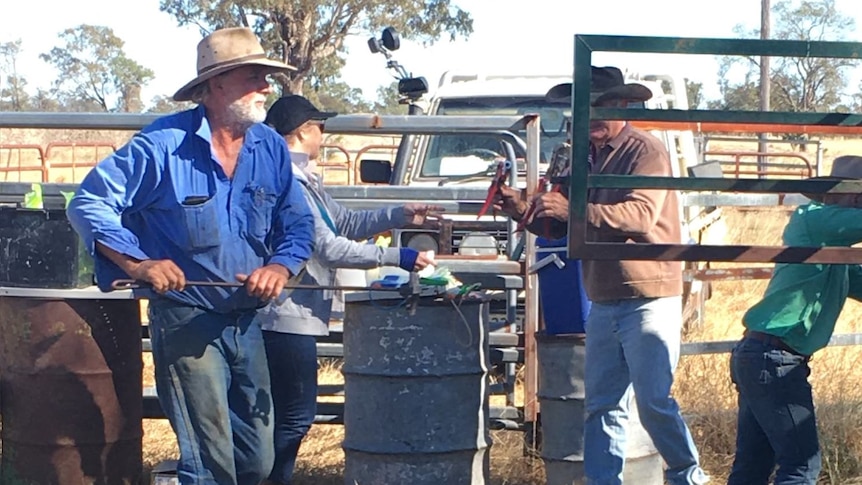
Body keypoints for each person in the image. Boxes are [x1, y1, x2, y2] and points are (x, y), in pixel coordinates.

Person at [66, 27, 316, 485]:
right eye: (255, 77)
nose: (267, 88)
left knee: (257, 460)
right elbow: (89, 204)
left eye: (267, 77)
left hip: (246, 320)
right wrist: (138, 264)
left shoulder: (271, 148)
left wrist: (279, 266)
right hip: (186, 317)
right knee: (209, 462)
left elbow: (297, 224)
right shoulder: (162, 146)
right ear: (216, 85)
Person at [493, 66, 708, 484]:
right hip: (607, 296)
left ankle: (687, 476)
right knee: (603, 404)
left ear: (620, 106)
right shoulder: (583, 156)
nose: (590, 119)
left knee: (652, 402)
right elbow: (557, 225)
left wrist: (568, 211)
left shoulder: (646, 151)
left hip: (647, 294)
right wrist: (524, 210)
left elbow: (640, 216)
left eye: (598, 109)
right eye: (584, 110)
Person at [259, 94, 441, 484]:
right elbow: (328, 246)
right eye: (319, 127)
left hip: (294, 311)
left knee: (284, 414)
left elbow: (343, 221)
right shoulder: (291, 181)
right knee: (293, 416)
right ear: (303, 131)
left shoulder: (302, 178)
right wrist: (400, 257)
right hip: (287, 313)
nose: (323, 135)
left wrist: (397, 214)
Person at [727, 155, 862, 484]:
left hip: (763, 356)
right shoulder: (812, 219)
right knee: (801, 466)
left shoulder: (835, 253)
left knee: (754, 465)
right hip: (775, 360)